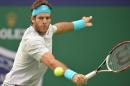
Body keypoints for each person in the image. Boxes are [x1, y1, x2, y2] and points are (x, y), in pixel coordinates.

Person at [2, 0, 93, 86]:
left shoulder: (48, 28)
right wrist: (73, 76)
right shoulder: (32, 40)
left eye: (47, 18)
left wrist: (80, 23)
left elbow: (59, 27)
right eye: (41, 18)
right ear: (33, 19)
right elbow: (51, 62)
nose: (45, 21)